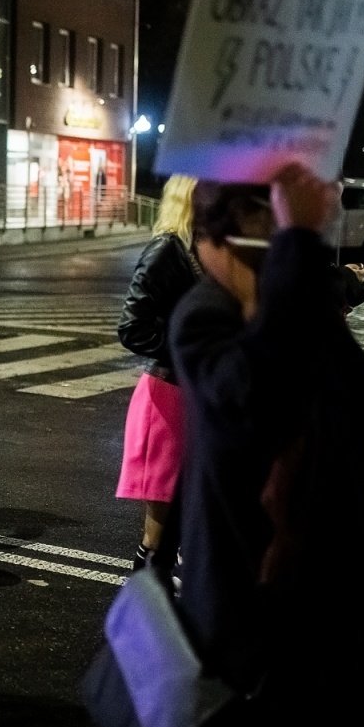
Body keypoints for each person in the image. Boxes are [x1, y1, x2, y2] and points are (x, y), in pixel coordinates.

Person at [59, 169, 364, 727]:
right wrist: (293, 255)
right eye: (260, 235)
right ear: (213, 243)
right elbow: (253, 404)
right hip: (243, 633)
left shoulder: (297, 318)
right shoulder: (204, 316)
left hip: (328, 627)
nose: (271, 251)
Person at [115, 175, 199, 569]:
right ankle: (144, 608)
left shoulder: (202, 249)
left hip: (194, 398)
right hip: (167, 400)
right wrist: (187, 349)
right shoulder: (168, 248)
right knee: (158, 535)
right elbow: (132, 325)